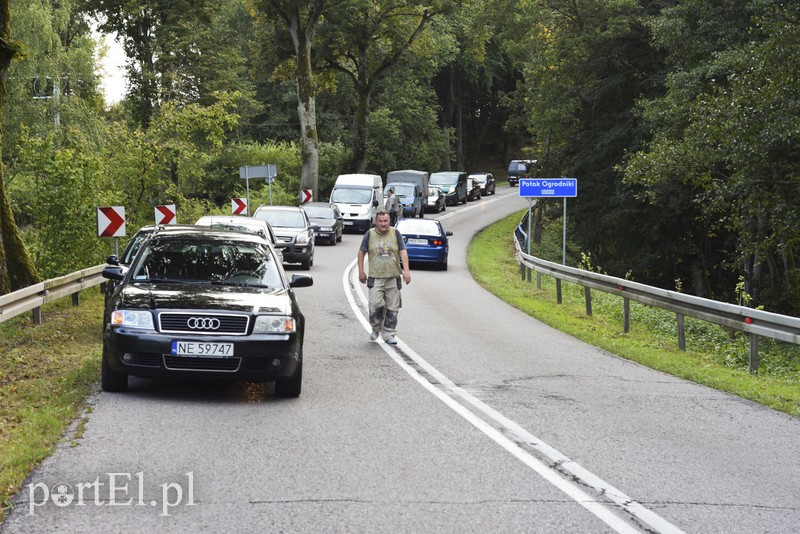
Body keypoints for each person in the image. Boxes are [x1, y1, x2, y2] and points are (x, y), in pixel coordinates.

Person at [357, 209, 412, 345]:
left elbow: (403, 252)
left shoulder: (395, 233)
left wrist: (406, 271)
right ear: (376, 222)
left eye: (385, 221)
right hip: (376, 277)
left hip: (393, 277)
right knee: (375, 305)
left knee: (393, 307)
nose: (383, 224)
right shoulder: (369, 234)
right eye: (380, 221)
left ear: (389, 221)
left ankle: (388, 334)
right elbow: (361, 253)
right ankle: (375, 328)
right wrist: (361, 271)